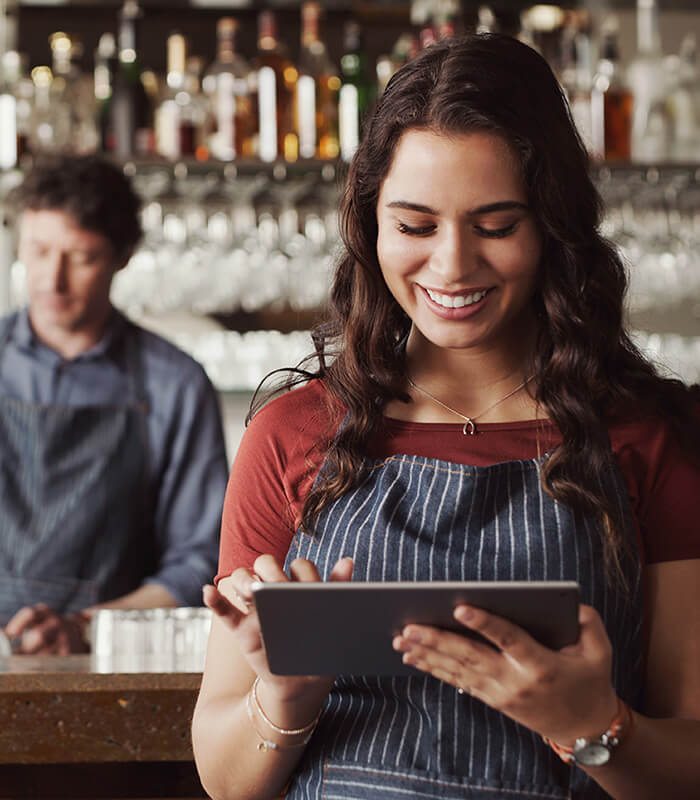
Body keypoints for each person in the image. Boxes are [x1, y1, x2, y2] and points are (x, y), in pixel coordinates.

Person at [192, 33, 700, 800]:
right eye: (416, 226)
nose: (453, 264)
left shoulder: (644, 438)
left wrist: (591, 726)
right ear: (370, 227)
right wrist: (285, 696)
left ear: (553, 227)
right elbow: (228, 783)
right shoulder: (290, 434)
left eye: (496, 226)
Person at [0, 155, 229, 654]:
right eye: (39, 251)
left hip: (104, 660)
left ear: (122, 257)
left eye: (80, 257)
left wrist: (85, 627)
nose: (52, 280)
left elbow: (200, 560)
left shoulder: (174, 383)